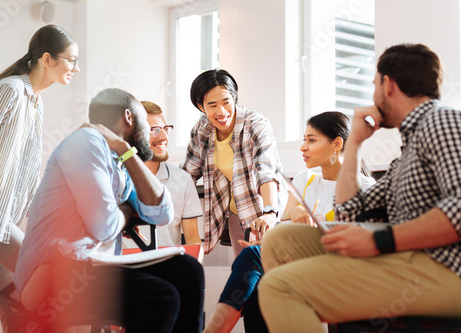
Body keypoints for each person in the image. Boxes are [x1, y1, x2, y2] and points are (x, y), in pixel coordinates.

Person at [258, 43, 461, 333]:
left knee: (279, 286)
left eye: (374, 85)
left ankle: (301, 298)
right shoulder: (408, 148)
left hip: (445, 266)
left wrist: (380, 241)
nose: (373, 95)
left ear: (388, 85)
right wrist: (354, 142)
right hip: (410, 256)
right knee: (282, 238)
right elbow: (349, 211)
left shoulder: (441, 121)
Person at [14, 88, 205, 332]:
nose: (151, 133)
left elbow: (162, 213)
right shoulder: (85, 143)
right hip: (55, 276)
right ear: (129, 117)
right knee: (161, 296)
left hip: (93, 265)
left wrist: (126, 151)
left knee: (188, 270)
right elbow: (104, 227)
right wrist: (127, 211)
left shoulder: (118, 159)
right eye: (147, 123)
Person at [204, 111, 375, 333]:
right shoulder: (305, 180)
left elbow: (359, 242)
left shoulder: (365, 187)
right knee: (258, 269)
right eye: (304, 139)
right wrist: (291, 217)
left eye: (311, 140)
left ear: (337, 144)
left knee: (254, 260)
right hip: (297, 263)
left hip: (338, 269)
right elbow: (283, 229)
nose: (303, 147)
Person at [0, 24, 79, 327]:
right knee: (48, 276)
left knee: (10, 300)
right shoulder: (10, 91)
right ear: (48, 59)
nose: (76, 68)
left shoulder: (35, 100)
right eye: (72, 60)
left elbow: (26, 167)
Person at [181, 69, 288, 256]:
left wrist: (270, 212)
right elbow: (188, 173)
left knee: (270, 274)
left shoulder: (255, 123)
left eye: (226, 102)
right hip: (236, 211)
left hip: (266, 208)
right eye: (212, 105)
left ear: (235, 98)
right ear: (200, 106)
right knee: (244, 271)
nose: (221, 112)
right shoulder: (202, 129)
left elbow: (266, 171)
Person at [141, 100, 203, 247]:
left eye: (165, 129)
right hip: (124, 268)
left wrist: (192, 268)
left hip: (168, 268)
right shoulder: (114, 179)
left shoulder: (182, 180)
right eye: (154, 129)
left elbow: (193, 241)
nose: (164, 137)